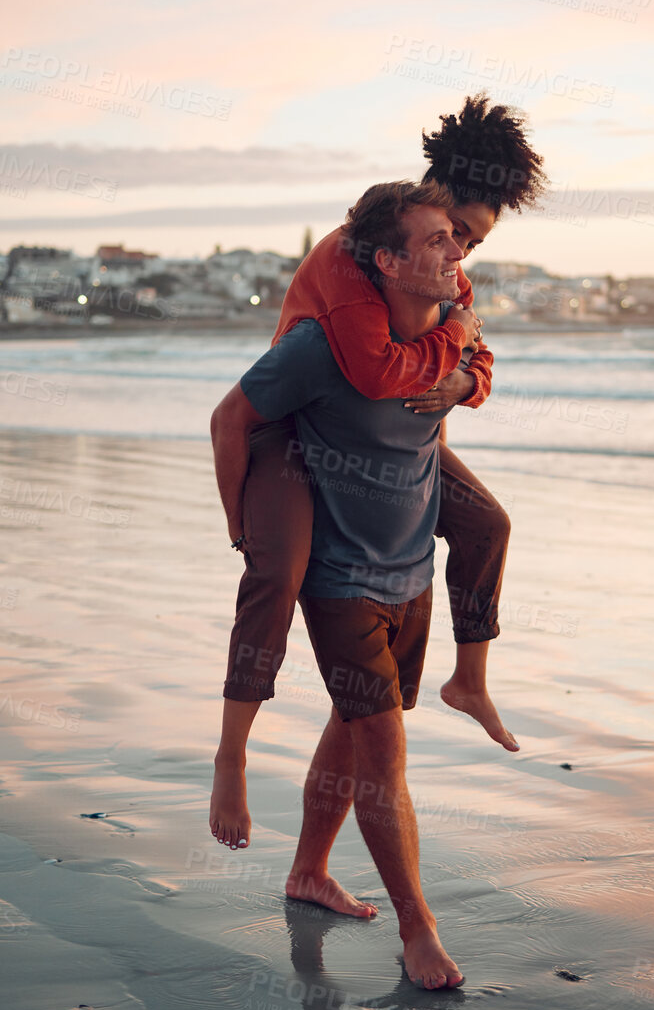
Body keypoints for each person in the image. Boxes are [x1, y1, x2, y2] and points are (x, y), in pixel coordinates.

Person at [210, 96, 547, 853]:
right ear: (431, 200)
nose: (463, 252)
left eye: (475, 241)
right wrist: (453, 343)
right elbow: (371, 369)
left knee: (484, 523)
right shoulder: (359, 253)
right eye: (456, 232)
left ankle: (469, 681)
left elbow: (476, 361)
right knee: (280, 570)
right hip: (296, 429)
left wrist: (463, 377)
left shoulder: (447, 273)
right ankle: (231, 755)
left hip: (383, 438)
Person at [210, 180, 473, 989]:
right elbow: (230, 418)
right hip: (339, 580)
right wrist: (244, 528)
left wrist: (464, 375)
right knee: (383, 753)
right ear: (387, 260)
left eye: (456, 237)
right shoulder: (321, 347)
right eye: (434, 240)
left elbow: (450, 408)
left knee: (357, 727)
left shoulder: (451, 333)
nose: (455, 250)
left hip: (408, 570)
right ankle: (417, 927)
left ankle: (308, 870)